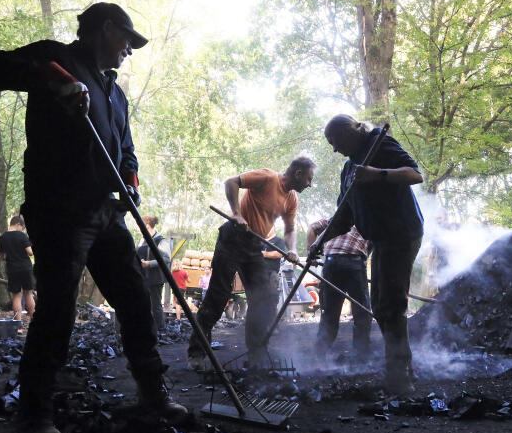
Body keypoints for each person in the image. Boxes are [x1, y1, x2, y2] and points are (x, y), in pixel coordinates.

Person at [0, 2, 186, 433]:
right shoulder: (56, 58)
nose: (130, 50)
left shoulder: (115, 92)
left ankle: (152, 392)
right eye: (127, 40)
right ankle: (35, 414)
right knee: (57, 307)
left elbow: (126, 151)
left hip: (106, 212)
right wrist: (52, 78)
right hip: (59, 209)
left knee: (134, 298)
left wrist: (129, 183)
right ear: (105, 29)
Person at [310, 114, 424, 395]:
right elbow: (343, 217)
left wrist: (376, 174)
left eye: (334, 141)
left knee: (391, 304)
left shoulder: (379, 143)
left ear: (349, 133)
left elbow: (415, 174)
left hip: (401, 233)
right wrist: (320, 242)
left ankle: (399, 378)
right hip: (381, 238)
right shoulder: (348, 169)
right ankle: (402, 368)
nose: (334, 149)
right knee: (380, 306)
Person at [187, 157, 315, 369]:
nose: (309, 184)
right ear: (298, 174)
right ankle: (196, 353)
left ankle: (256, 354)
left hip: (254, 244)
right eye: (309, 179)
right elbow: (231, 182)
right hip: (233, 236)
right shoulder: (267, 177)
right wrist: (236, 214)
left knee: (263, 298)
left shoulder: (291, 199)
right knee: (218, 297)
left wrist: (291, 249)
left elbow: (290, 229)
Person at [307, 218, 372, 359]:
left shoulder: (338, 216)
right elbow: (372, 245)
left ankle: (319, 355)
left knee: (330, 314)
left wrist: (309, 252)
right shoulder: (368, 218)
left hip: (331, 263)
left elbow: (312, 227)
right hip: (354, 261)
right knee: (362, 313)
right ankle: (361, 356)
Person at [0, 215, 36, 320]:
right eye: (22, 227)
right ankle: (34, 320)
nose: (22, 229)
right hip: (25, 268)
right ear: (18, 224)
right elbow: (30, 252)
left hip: (12, 269)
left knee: (16, 295)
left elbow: (2, 257)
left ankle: (18, 324)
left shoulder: (3, 237)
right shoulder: (22, 236)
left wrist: (11, 256)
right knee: (28, 294)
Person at [136, 214, 169, 331]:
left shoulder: (161, 240)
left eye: (141, 225)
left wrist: (149, 263)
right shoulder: (141, 240)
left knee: (155, 305)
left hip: (155, 278)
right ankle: (146, 328)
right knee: (142, 304)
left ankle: (160, 329)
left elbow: (166, 259)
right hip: (142, 277)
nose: (139, 228)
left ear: (148, 226)